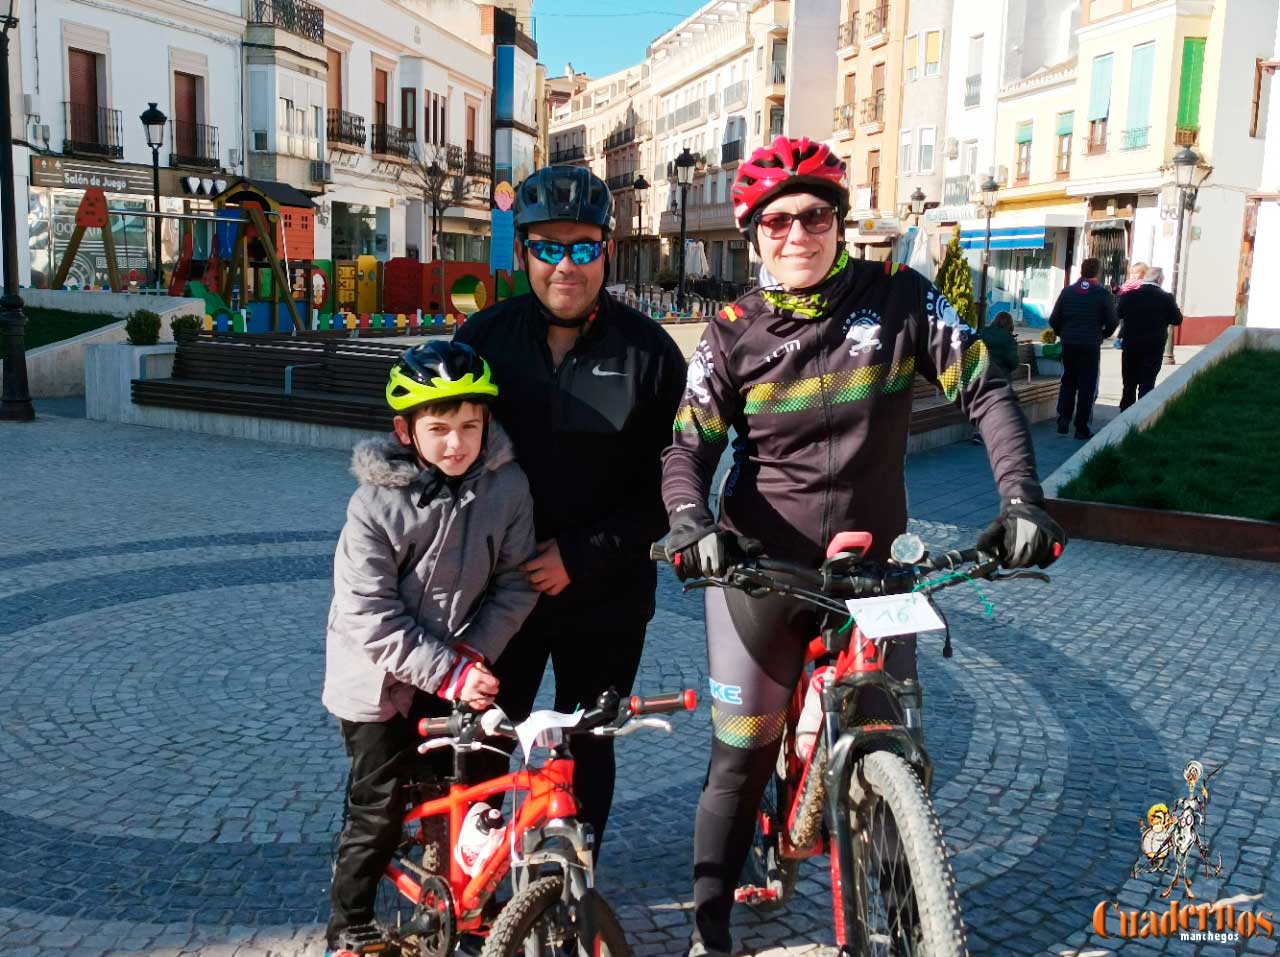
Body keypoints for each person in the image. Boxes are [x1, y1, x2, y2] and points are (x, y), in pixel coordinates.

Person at [660, 135, 1066, 957]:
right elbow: (686, 449)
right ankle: (709, 929)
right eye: (777, 222)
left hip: (877, 570)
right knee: (741, 756)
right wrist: (689, 523)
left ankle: (906, 918)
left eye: (815, 216)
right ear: (753, 234)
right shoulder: (732, 331)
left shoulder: (902, 298)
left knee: (892, 741)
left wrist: (1022, 499)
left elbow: (985, 391)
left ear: (840, 222)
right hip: (759, 571)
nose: (797, 234)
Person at [454, 164, 687, 852]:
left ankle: (572, 886)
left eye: (583, 247)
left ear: (606, 250)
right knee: (484, 744)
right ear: (523, 251)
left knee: (589, 747)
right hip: (501, 595)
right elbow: (445, 465)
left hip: (606, 597)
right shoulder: (482, 342)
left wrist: (582, 555)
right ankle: (484, 894)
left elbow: (675, 490)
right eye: (548, 247)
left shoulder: (650, 354)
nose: (566, 265)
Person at [322, 341, 538, 956]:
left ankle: (470, 908)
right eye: (438, 428)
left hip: (456, 664)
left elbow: (517, 582)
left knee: (470, 791)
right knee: (378, 804)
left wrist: (472, 657)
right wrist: (451, 672)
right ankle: (351, 927)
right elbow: (370, 614)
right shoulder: (374, 505)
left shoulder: (508, 484)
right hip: (376, 679)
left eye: (470, 426)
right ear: (405, 430)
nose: (456, 444)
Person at [1049, 257, 1118, 440]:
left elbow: (1054, 319)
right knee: (1087, 385)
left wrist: (1062, 333)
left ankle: (1063, 418)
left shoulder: (1068, 292)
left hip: (1069, 344)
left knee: (1069, 381)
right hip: (1090, 345)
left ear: (1081, 271)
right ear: (1097, 273)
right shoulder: (1102, 294)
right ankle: (1081, 427)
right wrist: (1102, 335)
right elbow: (1112, 321)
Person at [1117, 265, 1182, 410]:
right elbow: (1177, 320)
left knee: (1129, 384)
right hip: (1153, 347)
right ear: (1159, 280)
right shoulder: (1166, 298)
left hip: (1131, 345)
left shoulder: (1128, 296)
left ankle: (1124, 414)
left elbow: (1119, 313)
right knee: (1147, 383)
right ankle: (1141, 416)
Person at [980, 310, 1021, 376]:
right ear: (1010, 324)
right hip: (1000, 374)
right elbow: (1012, 361)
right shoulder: (1008, 338)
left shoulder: (984, 333)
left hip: (982, 373)